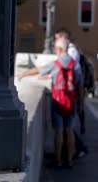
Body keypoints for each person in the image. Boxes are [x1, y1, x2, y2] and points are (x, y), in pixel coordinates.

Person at [17, 38, 82, 168]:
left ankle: (58, 160)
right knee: (69, 130)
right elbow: (79, 85)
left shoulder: (56, 63)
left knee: (59, 131)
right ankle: (69, 161)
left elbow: (38, 70)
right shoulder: (75, 64)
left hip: (58, 101)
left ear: (59, 49)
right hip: (70, 102)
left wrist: (22, 75)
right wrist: (79, 103)